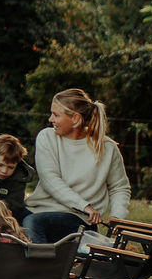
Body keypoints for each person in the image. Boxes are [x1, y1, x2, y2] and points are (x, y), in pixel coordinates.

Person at [26, 88, 132, 244]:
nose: (50, 119)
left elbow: (119, 187)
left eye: (56, 115)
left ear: (75, 119)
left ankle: (43, 260)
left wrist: (117, 216)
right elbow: (50, 180)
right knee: (0, 217)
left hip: (78, 219)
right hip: (36, 211)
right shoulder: (46, 137)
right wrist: (84, 205)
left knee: (32, 223)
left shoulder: (107, 147)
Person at [0, 133, 31, 224]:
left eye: (10, 167)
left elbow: (16, 203)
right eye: (0, 165)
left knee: (30, 218)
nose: (4, 171)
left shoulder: (19, 178)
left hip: (9, 214)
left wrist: (3, 209)